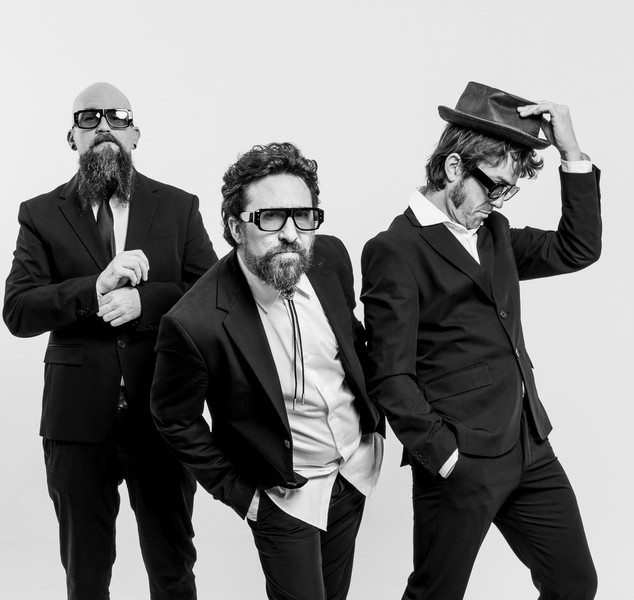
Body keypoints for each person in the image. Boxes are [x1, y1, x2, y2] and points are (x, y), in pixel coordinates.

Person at [361, 82, 601, 599]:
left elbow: (577, 248)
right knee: (436, 593)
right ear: (453, 168)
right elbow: (390, 375)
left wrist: (571, 152)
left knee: (575, 583)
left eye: (507, 192)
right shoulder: (394, 250)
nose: (496, 202)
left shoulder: (496, 235)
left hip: (529, 444)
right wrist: (446, 457)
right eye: (493, 186)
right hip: (462, 459)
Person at [3, 82, 218, 600]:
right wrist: (94, 287)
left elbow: (213, 296)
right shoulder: (40, 213)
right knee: (86, 575)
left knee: (172, 569)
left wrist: (147, 302)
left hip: (161, 413)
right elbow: (18, 310)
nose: (103, 126)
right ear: (72, 138)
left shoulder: (178, 206)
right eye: (89, 118)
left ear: (135, 134)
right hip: (77, 421)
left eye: (117, 117)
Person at [150, 142, 384, 600]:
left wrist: (374, 430)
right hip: (285, 497)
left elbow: (351, 342)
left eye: (304, 216)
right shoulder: (194, 321)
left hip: (354, 474)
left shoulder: (331, 258)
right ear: (235, 227)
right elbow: (174, 418)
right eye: (271, 217)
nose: (292, 234)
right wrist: (244, 496)